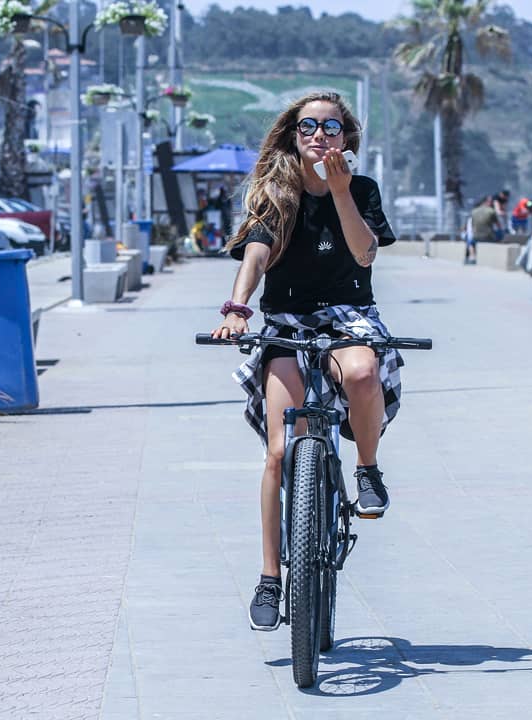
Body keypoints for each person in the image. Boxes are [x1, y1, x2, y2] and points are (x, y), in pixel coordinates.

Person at [210, 92, 401, 632]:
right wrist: (237, 309)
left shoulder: (360, 189)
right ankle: (271, 576)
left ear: (348, 139)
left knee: (362, 372)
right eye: (308, 126)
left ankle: (366, 469)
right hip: (287, 321)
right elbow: (257, 253)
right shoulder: (274, 192)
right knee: (278, 452)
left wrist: (340, 192)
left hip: (348, 317)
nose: (320, 135)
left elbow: (365, 253)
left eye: (332, 128)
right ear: (294, 135)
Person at [468, 195, 500, 265]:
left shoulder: (474, 211)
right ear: (487, 202)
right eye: (491, 202)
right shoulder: (491, 211)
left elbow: (472, 225)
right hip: (488, 237)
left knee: (470, 241)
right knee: (500, 233)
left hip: (476, 237)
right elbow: (498, 226)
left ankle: (472, 256)